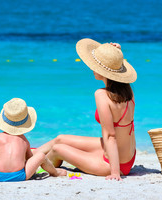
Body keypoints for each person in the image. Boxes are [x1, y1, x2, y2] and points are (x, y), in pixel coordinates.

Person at [36, 38, 137, 181]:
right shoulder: (128, 91)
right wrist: (116, 53)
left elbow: (110, 136)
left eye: (95, 65)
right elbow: (118, 67)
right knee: (60, 138)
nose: (91, 67)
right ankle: (28, 156)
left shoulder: (102, 95)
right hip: (127, 157)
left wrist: (115, 172)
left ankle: (34, 165)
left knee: (58, 149)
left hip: (113, 163)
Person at [0, 98, 66, 182]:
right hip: (20, 176)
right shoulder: (24, 140)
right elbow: (29, 158)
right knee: (41, 156)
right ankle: (55, 172)